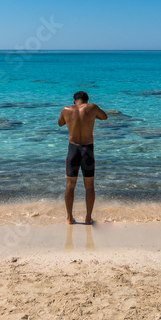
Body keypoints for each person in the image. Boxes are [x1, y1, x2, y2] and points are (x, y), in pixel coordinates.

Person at [57, 90, 107, 225]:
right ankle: (88, 218)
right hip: (87, 150)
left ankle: (69, 218)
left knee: (70, 185)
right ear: (87, 100)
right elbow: (104, 117)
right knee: (89, 186)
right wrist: (91, 116)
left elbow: (60, 123)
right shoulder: (92, 107)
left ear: (74, 101)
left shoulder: (66, 109)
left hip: (73, 150)